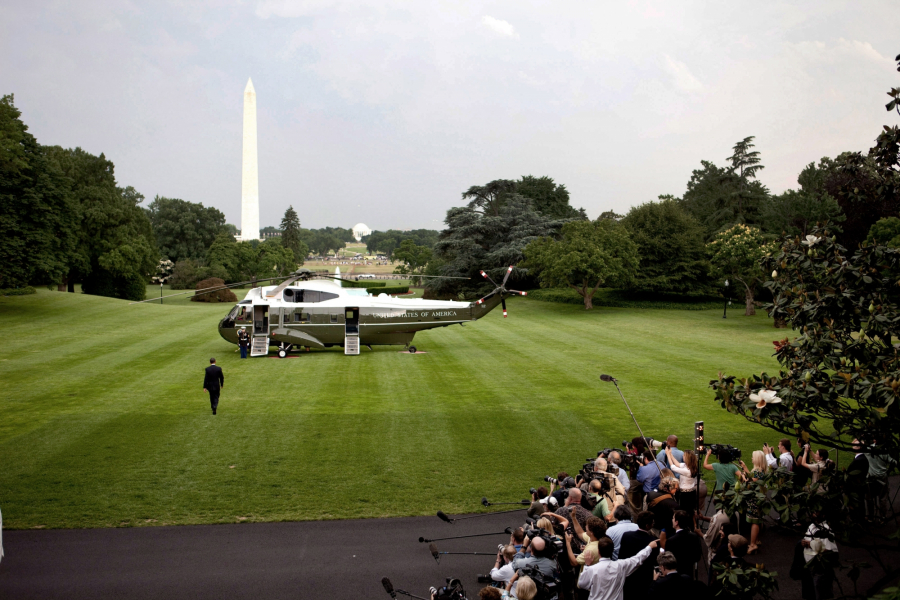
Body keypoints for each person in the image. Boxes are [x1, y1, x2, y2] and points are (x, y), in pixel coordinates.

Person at [577, 537, 660, 600]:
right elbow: (638, 559)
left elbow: (582, 584)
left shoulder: (592, 569)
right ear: (612, 551)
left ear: (598, 551)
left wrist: (587, 565)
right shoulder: (620, 565)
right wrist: (649, 547)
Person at [619, 510, 659, 600]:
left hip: (628, 575)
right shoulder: (653, 541)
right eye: (652, 523)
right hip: (645, 578)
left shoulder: (626, 536)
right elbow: (654, 560)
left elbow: (621, 556)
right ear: (648, 526)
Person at [739, 451, 768, 554]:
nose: (751, 459)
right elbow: (752, 477)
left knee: (754, 521)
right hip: (759, 498)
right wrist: (745, 468)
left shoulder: (758, 471)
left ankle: (753, 544)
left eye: (753, 457)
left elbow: (750, 482)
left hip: (755, 499)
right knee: (758, 519)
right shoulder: (761, 470)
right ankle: (756, 540)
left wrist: (743, 478)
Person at [800, 518, 837, 600]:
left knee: (822, 593)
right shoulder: (812, 526)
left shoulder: (826, 530)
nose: (813, 514)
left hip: (820, 568)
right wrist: (803, 542)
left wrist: (812, 544)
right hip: (810, 567)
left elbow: (830, 551)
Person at [663, 510, 702, 579]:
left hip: (675, 576)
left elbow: (668, 561)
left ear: (676, 522)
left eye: (673, 518)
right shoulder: (694, 537)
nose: (672, 520)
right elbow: (697, 556)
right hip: (689, 573)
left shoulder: (670, 541)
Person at [866, 441, 896, 523]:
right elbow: (893, 462)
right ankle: (882, 517)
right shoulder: (885, 450)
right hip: (882, 477)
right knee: (883, 498)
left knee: (869, 498)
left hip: (870, 477)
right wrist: (888, 471)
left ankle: (871, 517)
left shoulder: (868, 449)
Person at [665, 447, 699, 520]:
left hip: (686, 495)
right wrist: (670, 454)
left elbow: (673, 467)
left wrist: (668, 455)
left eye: (684, 455)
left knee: (685, 512)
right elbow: (677, 464)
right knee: (688, 512)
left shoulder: (688, 471)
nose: (682, 456)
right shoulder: (688, 466)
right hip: (690, 493)